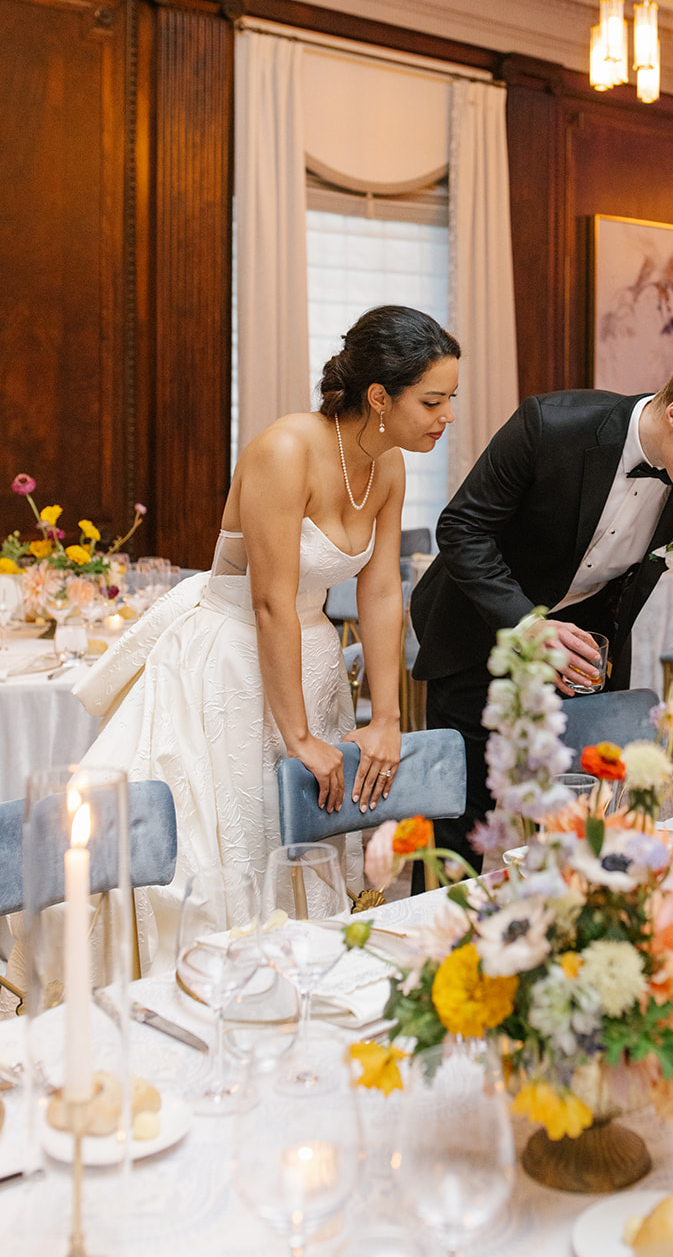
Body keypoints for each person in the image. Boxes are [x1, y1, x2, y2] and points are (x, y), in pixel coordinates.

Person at [75, 305, 460, 968]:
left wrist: (388, 718)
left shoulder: (388, 466)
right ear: (378, 397)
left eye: (449, 399)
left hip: (309, 660)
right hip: (229, 656)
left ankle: (298, 978)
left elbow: (380, 591)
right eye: (432, 400)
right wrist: (300, 738)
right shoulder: (285, 450)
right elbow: (269, 600)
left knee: (300, 835)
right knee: (231, 840)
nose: (445, 416)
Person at [410, 342, 673, 876]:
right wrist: (529, 625)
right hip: (479, 634)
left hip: (584, 657)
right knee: (461, 829)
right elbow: (462, 527)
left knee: (587, 830)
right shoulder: (551, 426)